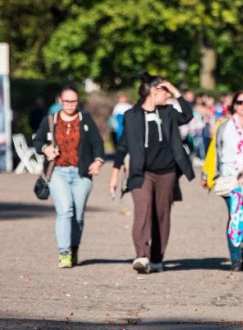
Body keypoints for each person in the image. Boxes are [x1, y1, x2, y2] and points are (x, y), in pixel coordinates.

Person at [108, 74, 195, 273]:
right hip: (141, 173)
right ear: (154, 92)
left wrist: (175, 91)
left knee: (161, 215)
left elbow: (188, 115)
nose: (168, 96)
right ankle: (141, 256)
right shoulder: (132, 115)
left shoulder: (169, 112)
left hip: (167, 172)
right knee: (143, 210)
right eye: (165, 91)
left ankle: (157, 257)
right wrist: (114, 174)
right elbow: (123, 147)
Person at [33, 86, 105, 268]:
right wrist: (45, 149)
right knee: (65, 211)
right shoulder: (50, 120)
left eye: (73, 101)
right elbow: (38, 141)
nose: (70, 105)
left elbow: (98, 143)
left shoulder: (85, 119)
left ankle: (74, 248)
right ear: (60, 101)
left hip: (81, 173)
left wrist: (97, 161)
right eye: (67, 101)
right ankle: (63, 252)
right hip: (58, 171)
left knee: (78, 216)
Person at [202, 90, 243, 272]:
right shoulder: (224, 126)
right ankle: (235, 259)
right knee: (235, 217)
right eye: (240, 102)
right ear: (234, 105)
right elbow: (214, 151)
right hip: (229, 177)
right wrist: (207, 173)